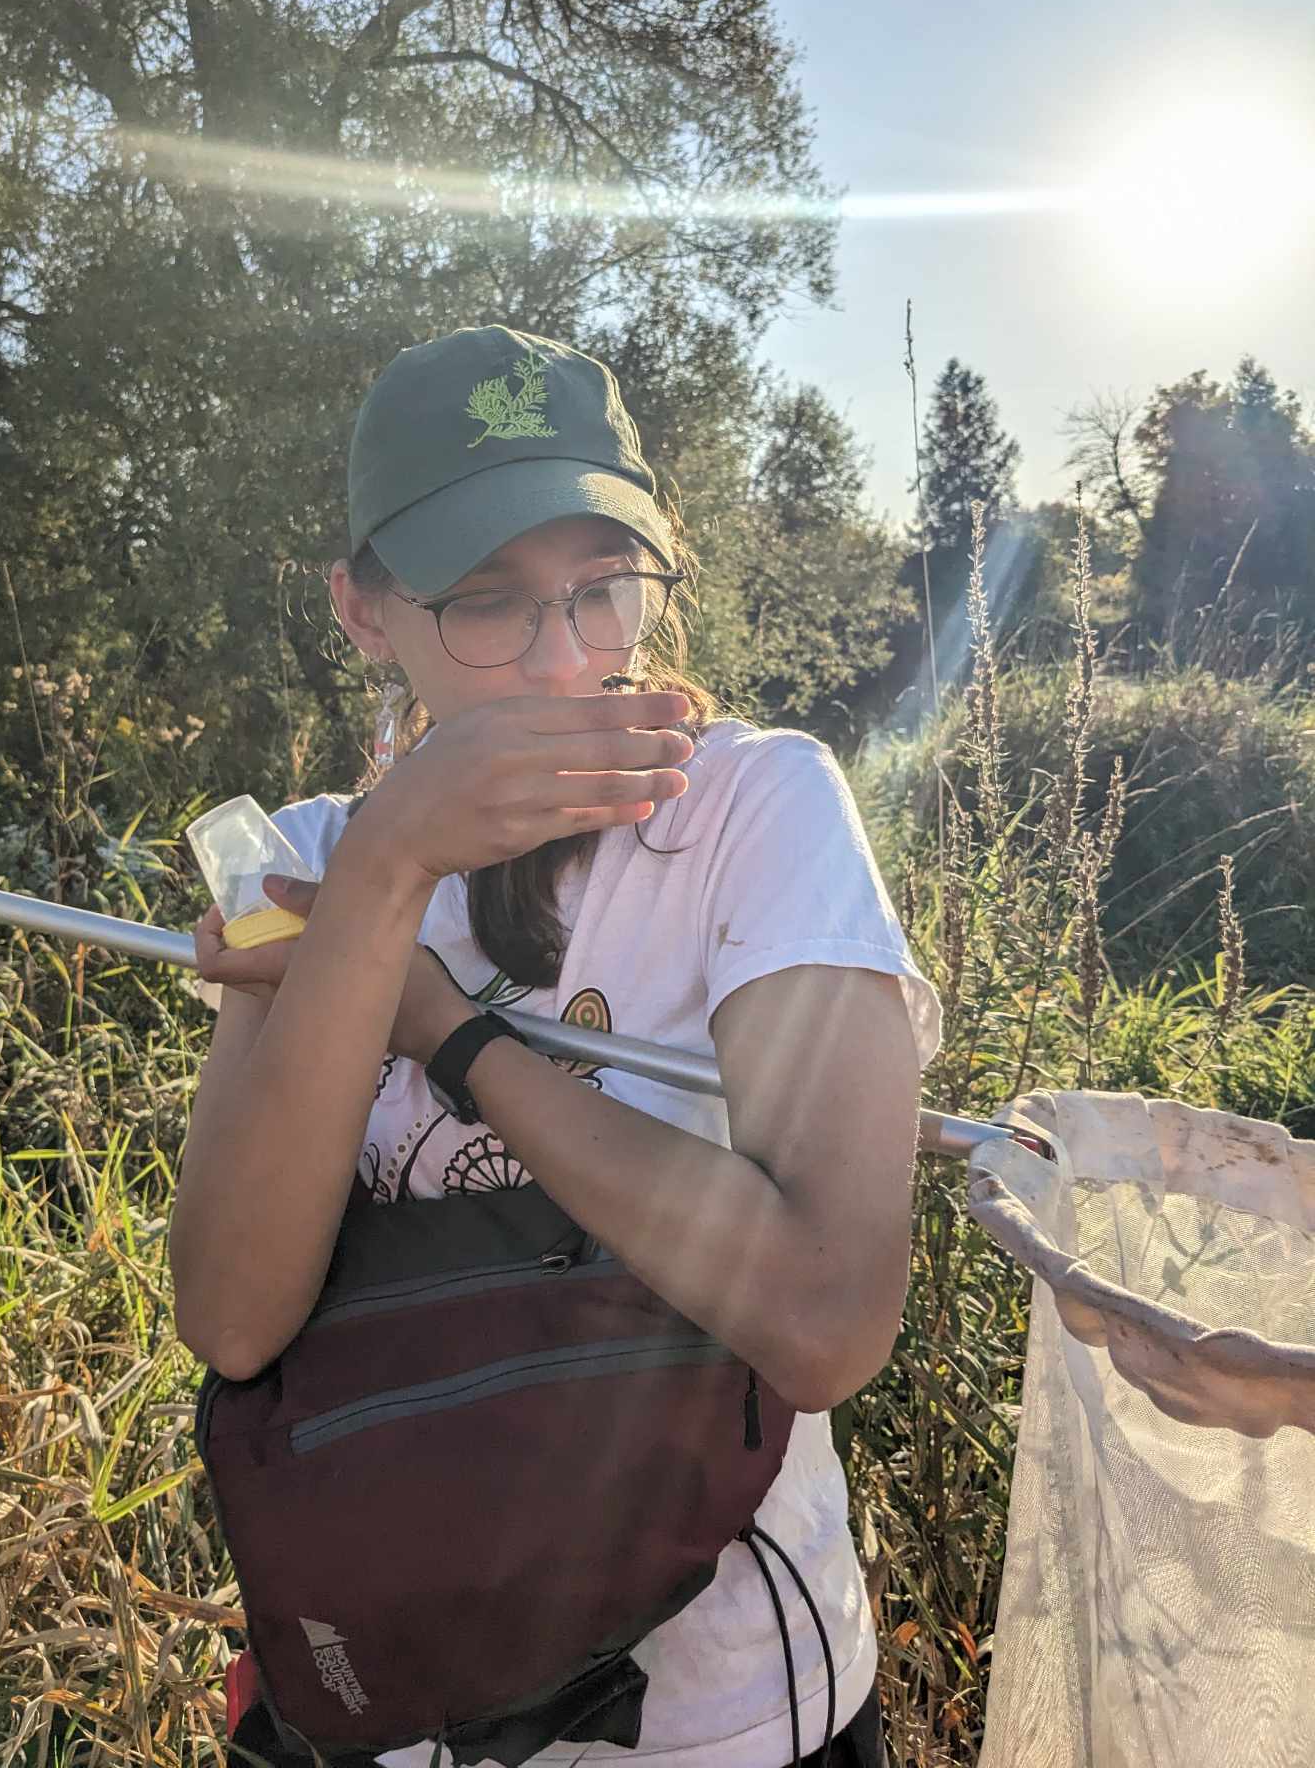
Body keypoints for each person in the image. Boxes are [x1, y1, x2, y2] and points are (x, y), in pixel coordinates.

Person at [169, 325, 942, 1768]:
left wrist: (442, 1029)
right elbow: (232, 1317)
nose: (564, 659)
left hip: (729, 1713)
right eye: (487, 603)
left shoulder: (757, 814)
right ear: (363, 612)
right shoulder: (310, 867)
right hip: (386, 1691)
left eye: (603, 589)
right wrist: (390, 872)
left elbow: (830, 1319)